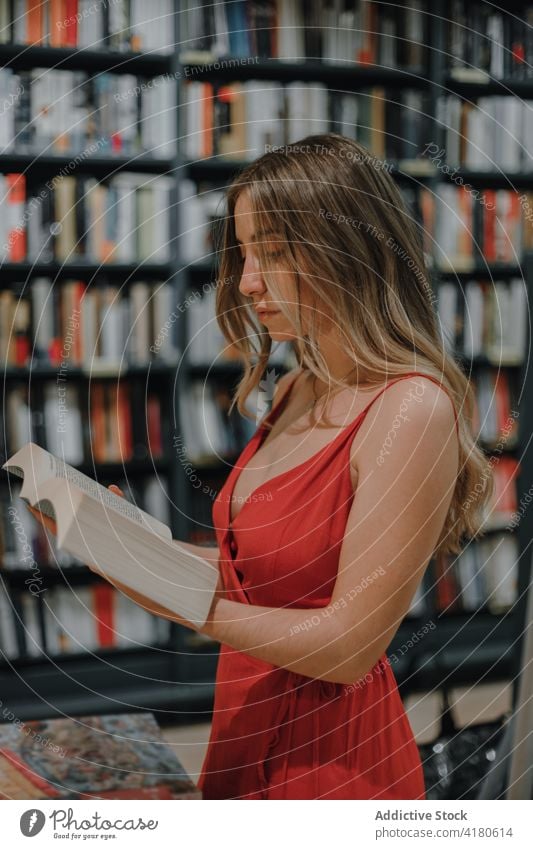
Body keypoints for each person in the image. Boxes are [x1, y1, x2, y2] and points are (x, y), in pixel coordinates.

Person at [28, 133, 492, 800]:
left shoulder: (410, 409)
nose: (247, 281)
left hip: (330, 760)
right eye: (245, 253)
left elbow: (348, 645)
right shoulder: (303, 380)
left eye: (274, 254)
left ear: (348, 253)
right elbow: (261, 574)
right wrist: (139, 547)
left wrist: (190, 602)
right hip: (246, 713)